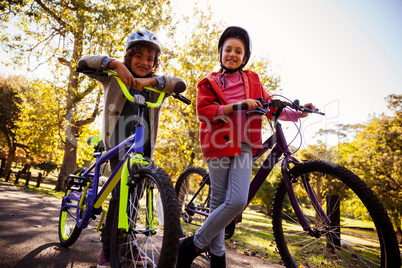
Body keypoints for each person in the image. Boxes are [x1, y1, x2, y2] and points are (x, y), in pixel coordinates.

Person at [176, 26, 315, 268]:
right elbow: (205, 111)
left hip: (244, 145)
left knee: (238, 200)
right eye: (227, 49)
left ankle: (193, 244)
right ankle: (218, 258)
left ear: (245, 57)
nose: (232, 54)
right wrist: (236, 106)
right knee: (219, 201)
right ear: (220, 53)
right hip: (217, 144)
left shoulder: (253, 79)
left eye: (238, 51)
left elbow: (271, 106)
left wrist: (298, 114)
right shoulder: (208, 82)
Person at [78, 29, 186, 268]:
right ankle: (108, 252)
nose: (144, 62)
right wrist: (114, 64)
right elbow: (83, 63)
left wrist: (153, 81)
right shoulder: (114, 75)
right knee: (119, 197)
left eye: (150, 59)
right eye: (139, 56)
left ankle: (125, 246)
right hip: (118, 145)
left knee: (133, 201)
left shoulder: (156, 85)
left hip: (142, 148)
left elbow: (180, 84)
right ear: (129, 56)